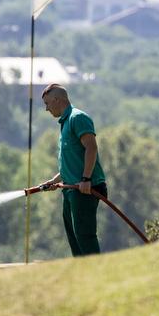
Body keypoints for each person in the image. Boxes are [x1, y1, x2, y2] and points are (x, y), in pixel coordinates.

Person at [35, 83, 108, 256]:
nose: (46, 109)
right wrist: (54, 181)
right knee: (74, 238)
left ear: (57, 100)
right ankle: (82, 275)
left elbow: (91, 148)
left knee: (84, 236)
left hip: (85, 189)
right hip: (71, 189)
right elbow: (73, 162)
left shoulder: (78, 118)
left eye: (47, 104)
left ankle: (96, 275)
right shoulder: (65, 123)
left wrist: (85, 179)